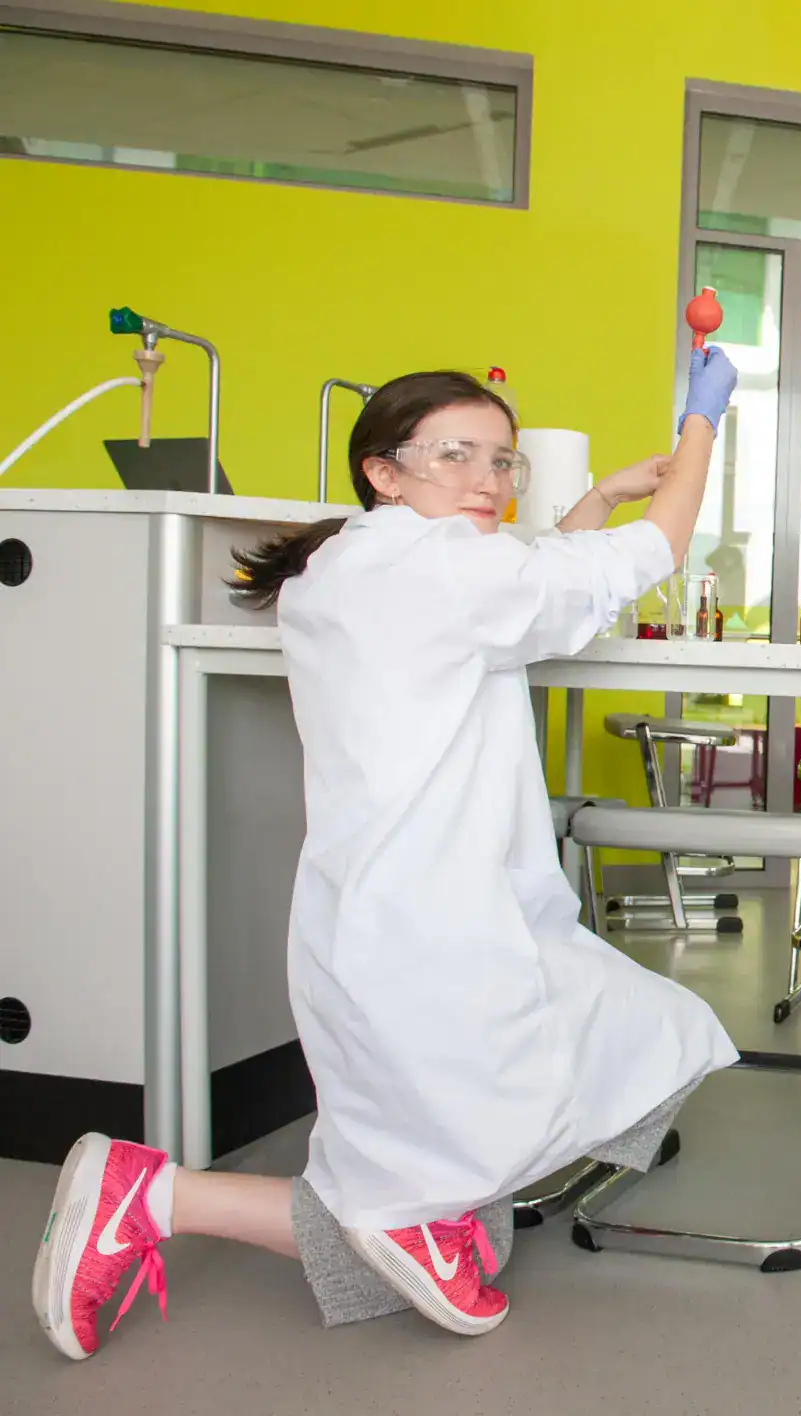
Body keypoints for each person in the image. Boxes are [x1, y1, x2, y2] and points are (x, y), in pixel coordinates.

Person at [33, 349, 745, 1359]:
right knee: (648, 1039)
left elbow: (519, 601)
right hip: (444, 937)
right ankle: (221, 1200)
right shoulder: (444, 570)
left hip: (377, 923)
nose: (488, 481)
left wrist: (588, 500)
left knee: (441, 1177)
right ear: (383, 468)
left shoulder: (350, 564)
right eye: (457, 455)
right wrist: (700, 430)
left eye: (504, 462)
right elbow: (642, 558)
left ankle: (151, 1194)